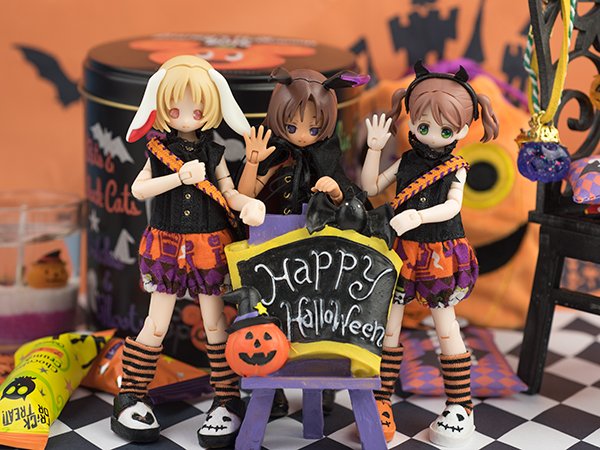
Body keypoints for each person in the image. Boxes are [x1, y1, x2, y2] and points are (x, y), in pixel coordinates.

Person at [111, 55, 266, 449]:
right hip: (166, 245)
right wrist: (178, 177)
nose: (185, 117)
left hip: (208, 246)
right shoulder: (158, 150)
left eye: (196, 110)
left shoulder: (214, 152)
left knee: (216, 326)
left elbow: (228, 191)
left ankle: (227, 400)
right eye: (175, 109)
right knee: (155, 324)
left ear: (210, 109)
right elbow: (139, 189)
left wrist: (247, 205)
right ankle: (131, 396)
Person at [361, 61, 499, 447]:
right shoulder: (406, 160)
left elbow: (453, 206)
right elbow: (370, 187)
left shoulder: (456, 167)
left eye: (445, 129)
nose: (432, 135)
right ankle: (381, 399)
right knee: (389, 326)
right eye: (423, 126)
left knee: (445, 325)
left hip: (439, 251)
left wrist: (418, 216)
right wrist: (374, 149)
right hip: (402, 252)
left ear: (463, 129)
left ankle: (460, 405)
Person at [237, 67, 368, 416]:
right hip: (272, 248)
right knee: (271, 316)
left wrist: (335, 190)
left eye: (313, 128)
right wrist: (252, 162)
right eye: (292, 127)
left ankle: (321, 383)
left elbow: (351, 202)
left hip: (317, 255)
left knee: (317, 317)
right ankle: (272, 387)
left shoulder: (327, 157)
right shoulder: (275, 153)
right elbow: (246, 195)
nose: (303, 136)